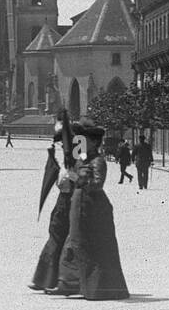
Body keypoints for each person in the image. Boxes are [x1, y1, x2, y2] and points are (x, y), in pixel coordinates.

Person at [51, 120, 129, 300]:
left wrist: (75, 177)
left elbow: (96, 185)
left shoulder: (98, 161)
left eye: (84, 140)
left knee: (86, 244)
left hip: (92, 207)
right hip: (78, 204)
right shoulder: (82, 158)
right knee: (73, 243)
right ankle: (69, 283)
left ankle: (95, 286)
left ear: (93, 142)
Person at [31, 117, 77, 291]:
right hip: (62, 201)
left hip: (73, 200)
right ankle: (44, 279)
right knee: (56, 237)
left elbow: (81, 175)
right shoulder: (61, 156)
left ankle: (64, 281)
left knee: (66, 241)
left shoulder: (79, 154)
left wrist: (72, 173)